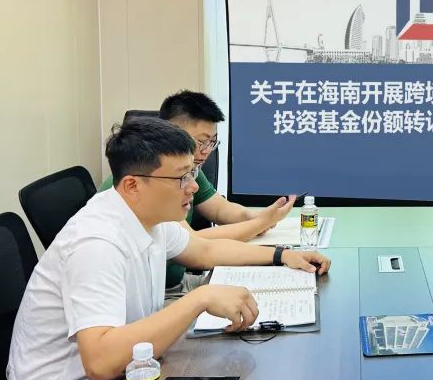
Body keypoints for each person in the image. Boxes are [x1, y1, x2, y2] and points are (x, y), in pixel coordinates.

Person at [8, 117, 331, 380]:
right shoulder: (96, 245)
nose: (193, 187)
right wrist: (198, 300)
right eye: (181, 178)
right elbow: (101, 365)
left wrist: (281, 255)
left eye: (192, 174)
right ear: (133, 185)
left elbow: (204, 250)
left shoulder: (147, 215)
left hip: (132, 373)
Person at [101, 90, 296, 290]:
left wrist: (261, 222)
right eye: (201, 142)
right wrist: (260, 223)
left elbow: (213, 224)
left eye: (212, 142)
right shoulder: (147, 186)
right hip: (164, 291)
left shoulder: (187, 172)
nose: (206, 151)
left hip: (175, 283)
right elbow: (196, 242)